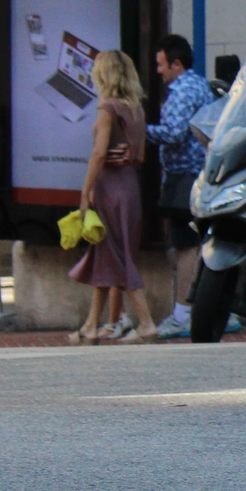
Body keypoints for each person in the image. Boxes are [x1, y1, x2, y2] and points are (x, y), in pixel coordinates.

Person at [69, 49, 158, 344]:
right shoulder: (136, 108)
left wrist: (85, 192)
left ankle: (145, 322)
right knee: (107, 254)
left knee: (116, 255)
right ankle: (91, 326)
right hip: (129, 185)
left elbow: (99, 152)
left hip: (109, 188)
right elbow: (140, 155)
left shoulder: (107, 108)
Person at [148, 34, 211, 338]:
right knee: (195, 244)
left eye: (161, 65)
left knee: (186, 246)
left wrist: (136, 129)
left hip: (185, 177)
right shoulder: (199, 85)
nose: (158, 71)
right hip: (193, 175)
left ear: (176, 63)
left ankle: (183, 311)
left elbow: (173, 133)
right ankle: (204, 308)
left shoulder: (183, 90)